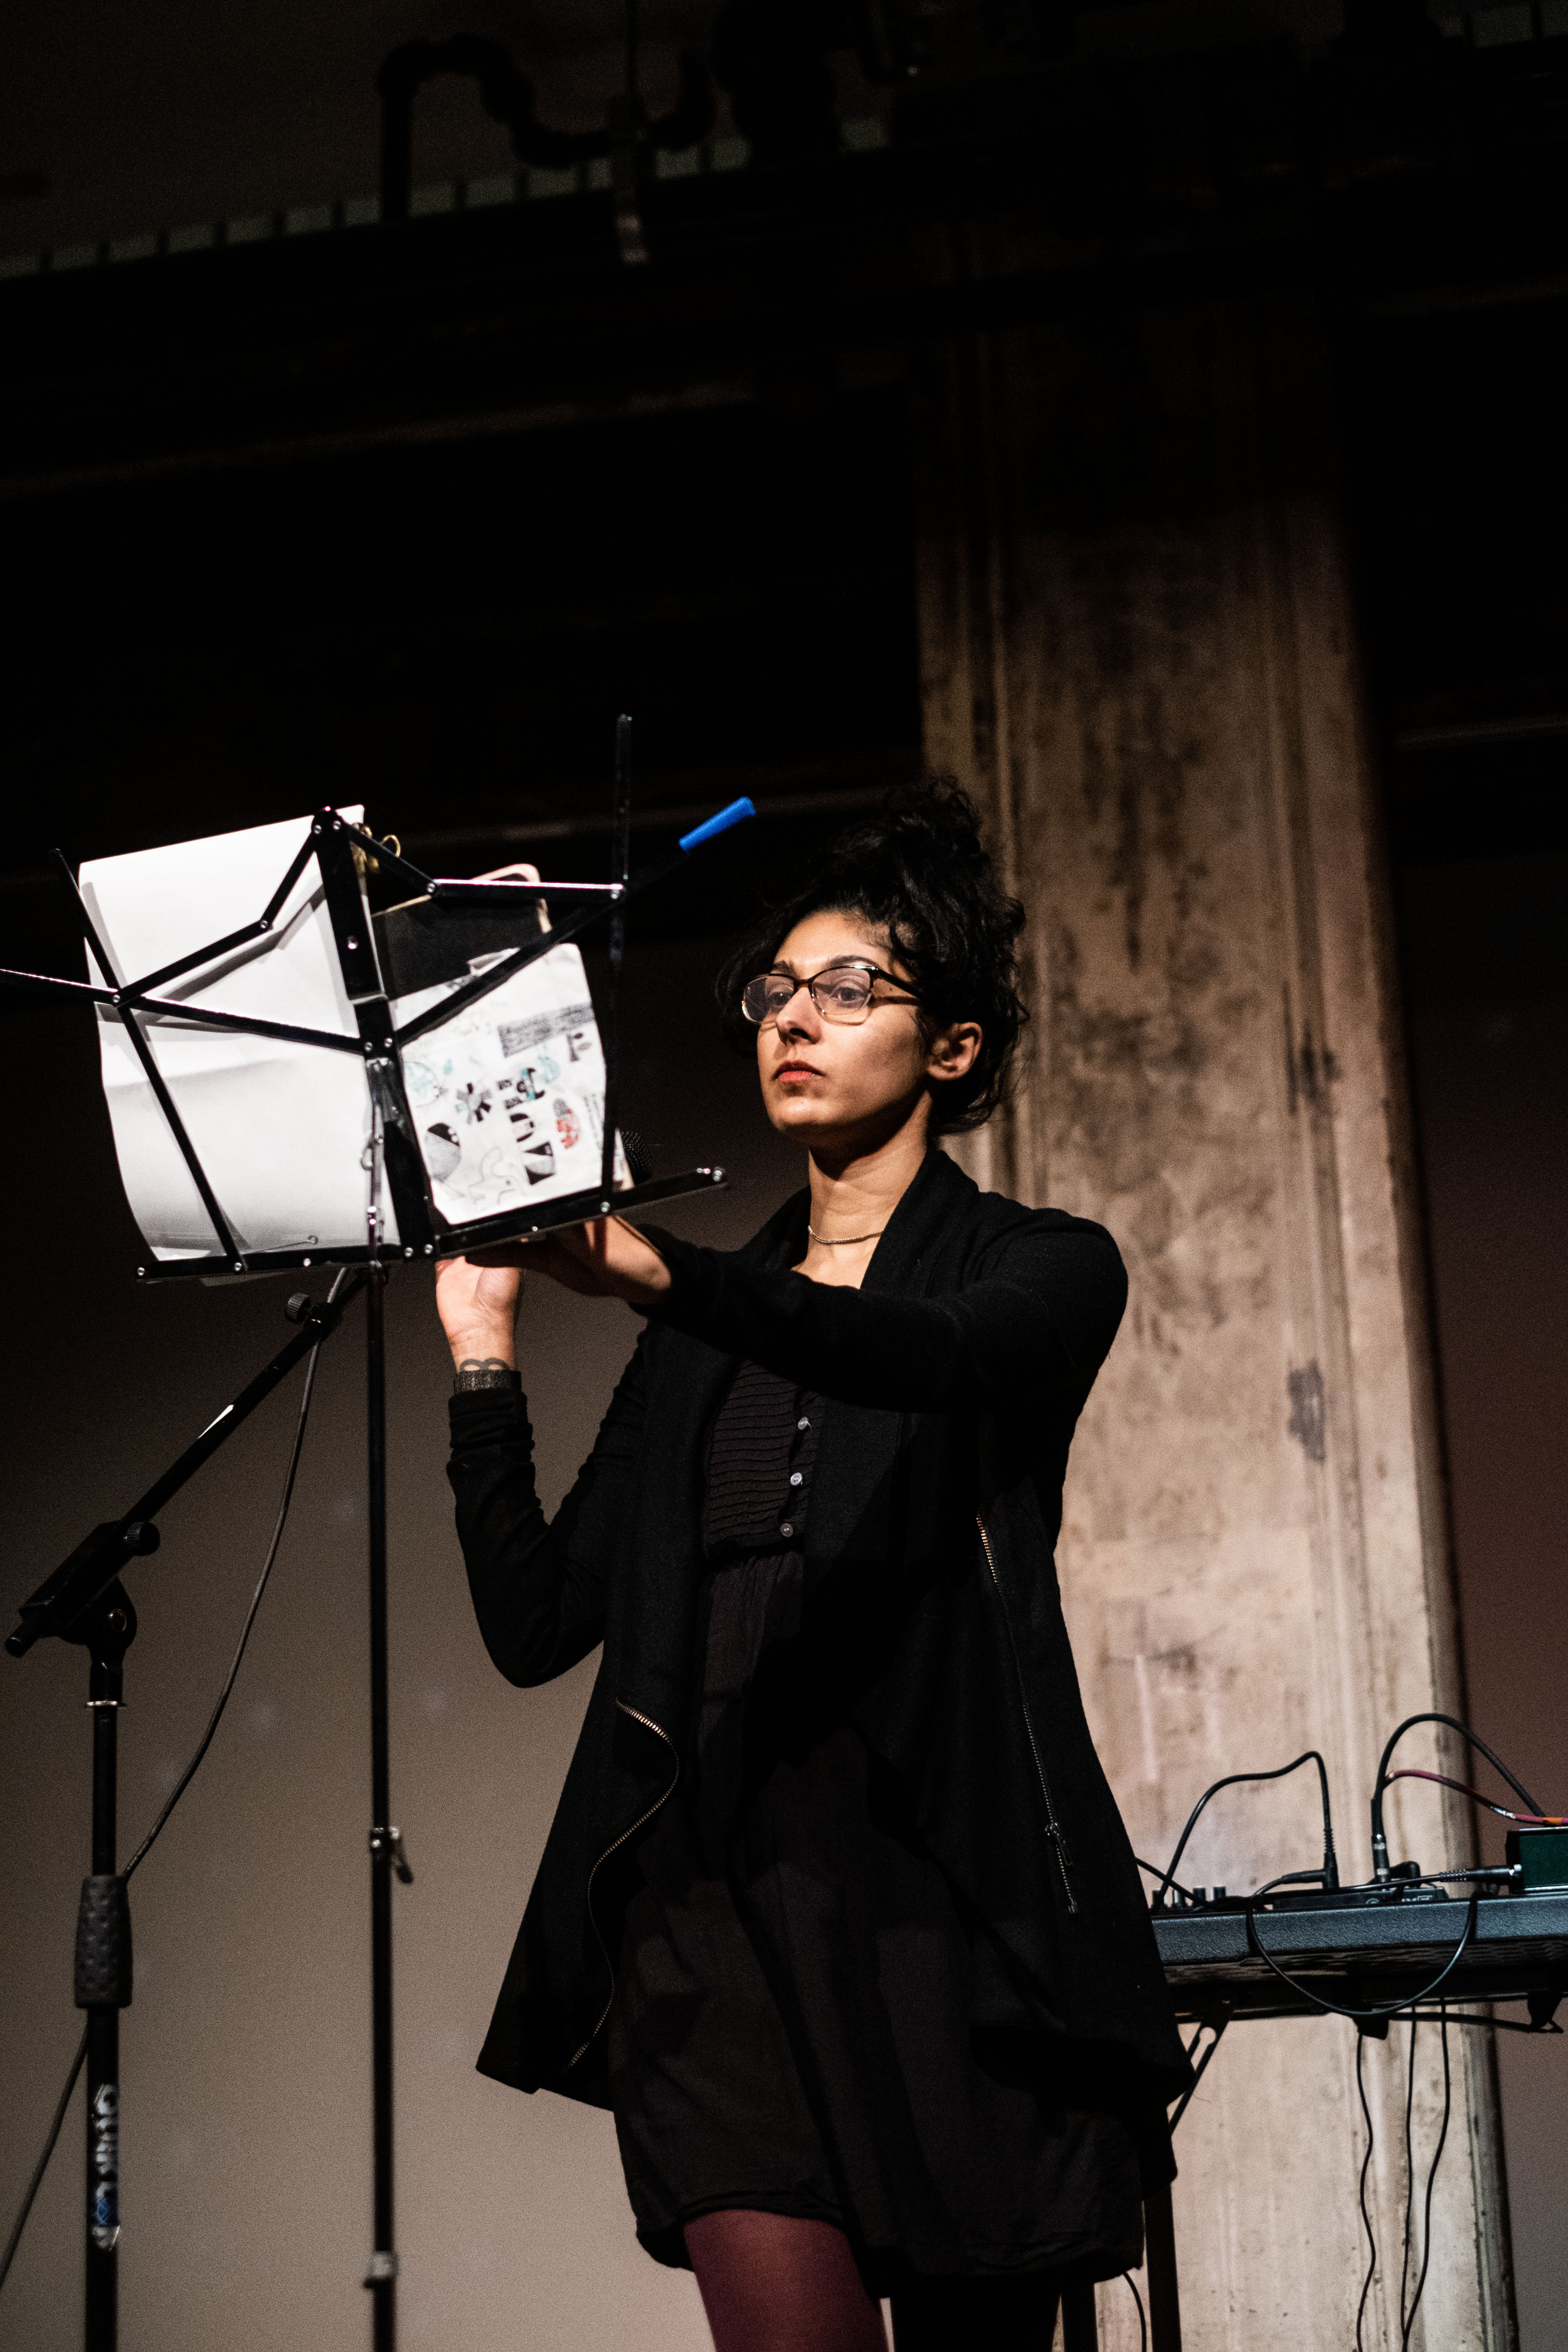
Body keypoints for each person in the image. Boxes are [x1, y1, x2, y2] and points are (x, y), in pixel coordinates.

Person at [435, 781, 1191, 2352]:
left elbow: (910, 1355)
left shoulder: (1036, 1267)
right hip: (704, 1908)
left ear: (954, 1047)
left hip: (944, 1907)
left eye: (848, 990)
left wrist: (669, 1279)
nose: (794, 1018)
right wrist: (483, 1365)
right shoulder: (701, 1329)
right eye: (774, 991)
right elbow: (534, 1623)